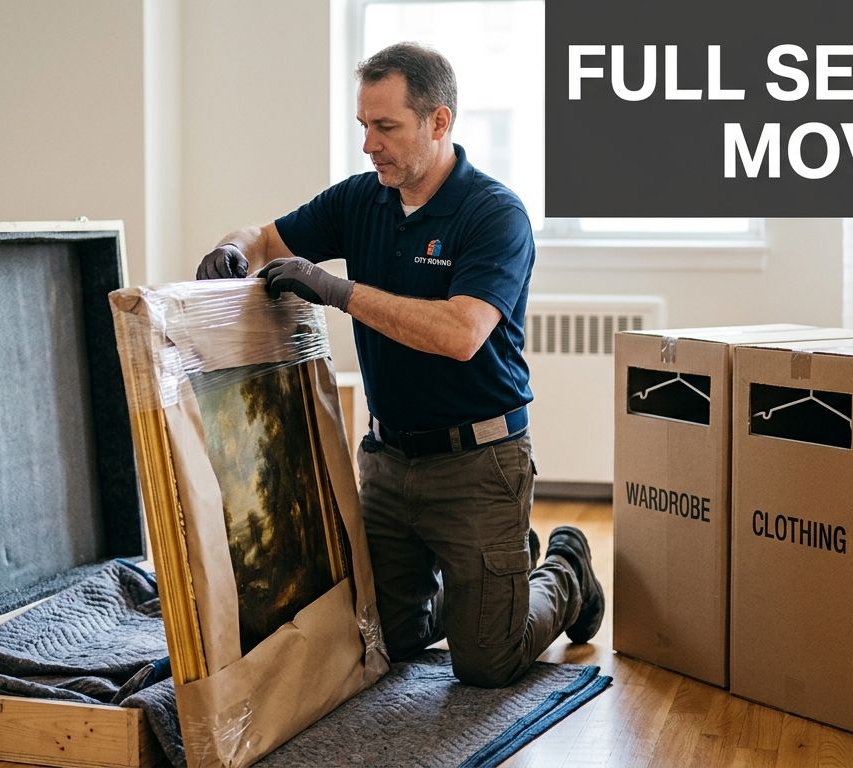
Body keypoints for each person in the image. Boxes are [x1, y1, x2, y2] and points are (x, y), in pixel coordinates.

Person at [194, 42, 603, 688]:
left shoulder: (494, 215)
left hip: (478, 464)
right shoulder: (362, 202)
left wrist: (337, 292)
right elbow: (264, 236)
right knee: (391, 641)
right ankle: (496, 576)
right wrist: (230, 251)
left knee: (486, 662)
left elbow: (462, 332)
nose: (369, 145)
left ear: (439, 123)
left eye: (386, 128)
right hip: (387, 465)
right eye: (364, 126)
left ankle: (565, 572)